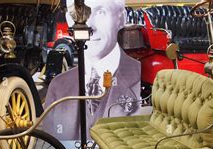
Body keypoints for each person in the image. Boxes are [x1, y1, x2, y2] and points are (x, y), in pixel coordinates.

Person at [42, 0, 141, 141]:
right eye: (76, 13)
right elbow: (51, 146)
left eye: (100, 12)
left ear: (121, 18)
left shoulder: (138, 77)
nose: (89, 26)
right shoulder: (58, 87)